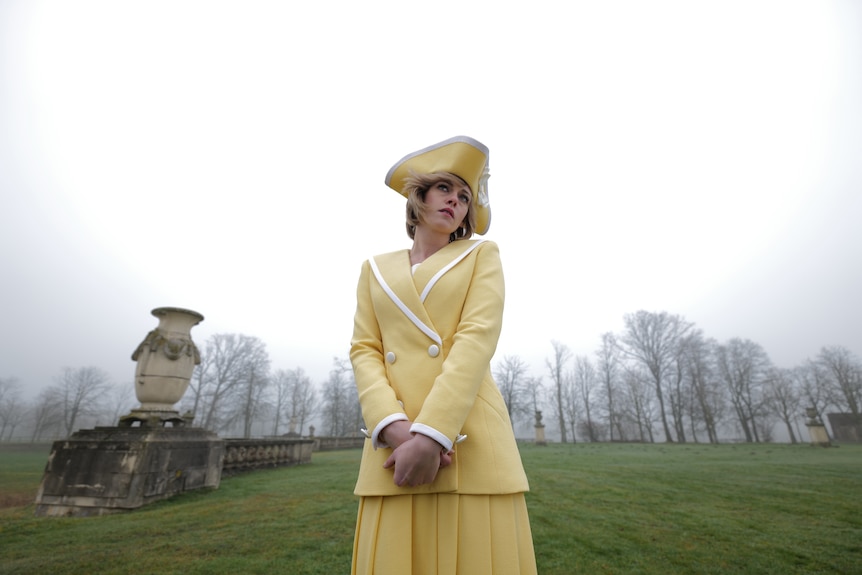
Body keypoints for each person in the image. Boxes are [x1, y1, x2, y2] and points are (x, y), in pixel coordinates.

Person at [349, 135, 537, 574]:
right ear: (418, 198)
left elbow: (475, 340)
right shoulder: (374, 269)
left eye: (465, 197)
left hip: (466, 442)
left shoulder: (481, 255)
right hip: (391, 451)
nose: (456, 201)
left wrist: (432, 435)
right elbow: (365, 349)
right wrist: (392, 428)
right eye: (445, 189)